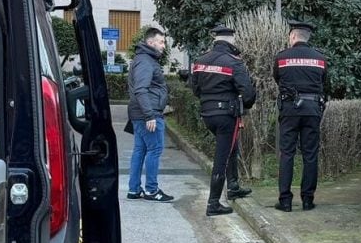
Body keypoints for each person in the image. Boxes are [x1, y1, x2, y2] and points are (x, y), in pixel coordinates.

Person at [189, 24, 257, 216]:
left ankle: (233, 186)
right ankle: (213, 203)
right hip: (226, 115)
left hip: (207, 113)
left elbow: (195, 89)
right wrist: (245, 104)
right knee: (222, 157)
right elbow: (248, 93)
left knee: (231, 147)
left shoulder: (200, 60)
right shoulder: (234, 62)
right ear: (231, 40)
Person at [273, 19, 329, 212]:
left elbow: (277, 78)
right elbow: (324, 81)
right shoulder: (320, 58)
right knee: (310, 154)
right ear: (308, 38)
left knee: (287, 153)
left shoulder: (282, 57)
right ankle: (307, 200)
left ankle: (285, 201)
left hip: (290, 110)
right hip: (312, 109)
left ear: (293, 36)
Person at [127, 27, 173, 202]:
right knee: (155, 150)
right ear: (150, 42)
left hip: (141, 113)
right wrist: (149, 115)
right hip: (148, 114)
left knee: (140, 150)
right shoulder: (146, 61)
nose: (163, 46)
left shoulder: (143, 59)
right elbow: (140, 89)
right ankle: (152, 190)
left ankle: (134, 189)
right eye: (161, 42)